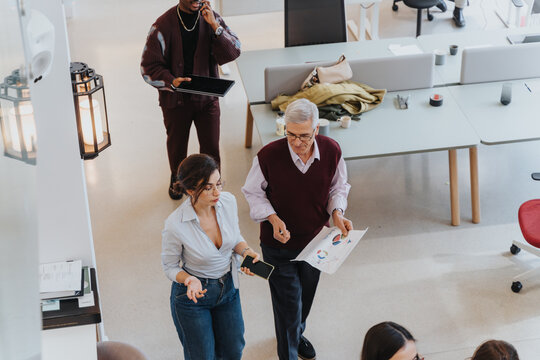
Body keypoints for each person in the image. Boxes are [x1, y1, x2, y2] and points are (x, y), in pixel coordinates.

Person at [242, 98, 353, 360]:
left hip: (316, 241)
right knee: (288, 304)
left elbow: (338, 187)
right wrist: (272, 217)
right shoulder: (268, 156)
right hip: (277, 245)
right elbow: (252, 193)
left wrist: (337, 212)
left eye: (303, 135)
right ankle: (289, 352)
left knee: (305, 297)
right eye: (290, 134)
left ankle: (296, 333)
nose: (296, 142)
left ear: (316, 130)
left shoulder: (332, 150)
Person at [162, 154, 260, 360]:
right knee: (203, 356)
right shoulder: (175, 224)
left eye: (219, 183)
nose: (217, 192)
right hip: (193, 297)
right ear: (190, 191)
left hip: (228, 289)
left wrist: (246, 251)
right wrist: (189, 279)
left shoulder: (228, 201)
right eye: (208, 188)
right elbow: (170, 266)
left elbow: (234, 238)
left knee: (234, 350)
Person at [141, 0, 241, 200]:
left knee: (211, 148)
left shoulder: (213, 18)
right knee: (177, 146)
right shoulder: (161, 26)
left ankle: (212, 185)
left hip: (208, 100)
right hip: (175, 101)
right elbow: (147, 68)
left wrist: (215, 27)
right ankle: (178, 180)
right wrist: (171, 81)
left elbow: (234, 51)